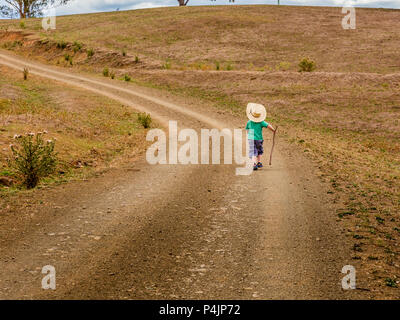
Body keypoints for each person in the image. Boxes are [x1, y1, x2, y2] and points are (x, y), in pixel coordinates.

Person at [245, 103, 276, 171]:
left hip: (251, 139)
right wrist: (273, 130)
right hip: (259, 139)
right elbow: (268, 125)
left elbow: (247, 129)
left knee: (253, 152)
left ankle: (254, 164)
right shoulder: (261, 122)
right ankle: (258, 162)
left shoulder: (249, 122)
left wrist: (249, 135)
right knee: (259, 151)